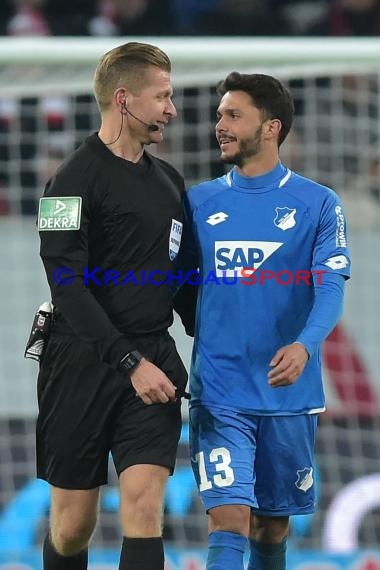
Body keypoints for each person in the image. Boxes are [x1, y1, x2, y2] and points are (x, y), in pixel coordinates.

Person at [175, 72, 351, 569]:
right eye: (219, 116)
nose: (220, 126)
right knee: (228, 517)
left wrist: (304, 345)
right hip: (220, 389)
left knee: (272, 526)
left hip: (286, 393)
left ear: (271, 127)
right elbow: (175, 284)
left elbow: (331, 287)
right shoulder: (198, 203)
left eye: (233, 115)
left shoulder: (318, 204)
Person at [36, 41, 188, 570]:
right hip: (82, 361)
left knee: (144, 507)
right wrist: (127, 363)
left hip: (154, 356)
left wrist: (220, 347)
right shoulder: (68, 181)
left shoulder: (171, 182)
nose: (172, 109)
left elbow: (184, 285)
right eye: (162, 97)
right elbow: (67, 287)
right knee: (73, 526)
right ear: (123, 99)